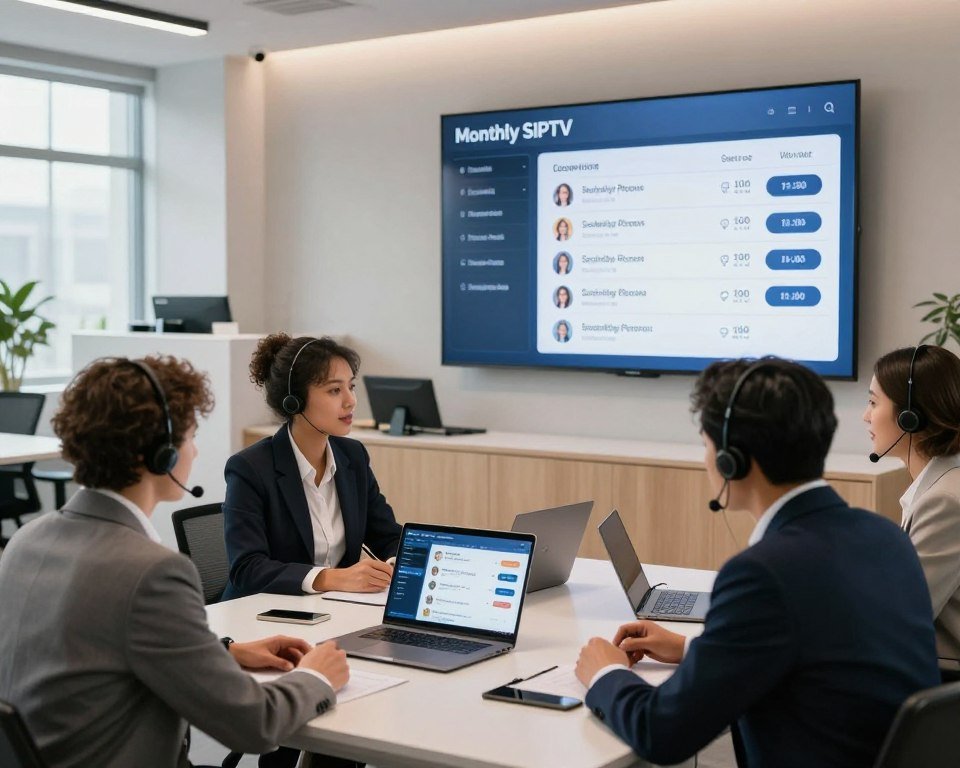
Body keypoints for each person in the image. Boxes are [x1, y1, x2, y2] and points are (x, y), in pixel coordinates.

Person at [576, 357, 939, 768]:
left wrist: (605, 674)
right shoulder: (884, 535)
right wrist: (692, 648)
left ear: (733, 459)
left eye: (706, 444)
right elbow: (817, 649)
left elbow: (663, 733)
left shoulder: (762, 573)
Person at [0, 356, 349, 768]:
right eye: (189, 435)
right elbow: (254, 725)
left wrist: (224, 652)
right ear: (161, 455)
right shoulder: (151, 571)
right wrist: (316, 677)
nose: (195, 448)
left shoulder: (25, 541)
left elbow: (96, 647)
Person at [223, 334, 401, 600]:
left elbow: (387, 536)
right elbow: (248, 568)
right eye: (334, 390)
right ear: (294, 400)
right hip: (262, 617)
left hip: (332, 611)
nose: (350, 400)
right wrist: (330, 578)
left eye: (351, 387)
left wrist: (395, 563)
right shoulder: (250, 468)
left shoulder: (353, 457)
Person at [864, 345, 960, 671]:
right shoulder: (938, 485)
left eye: (874, 402)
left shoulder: (945, 500)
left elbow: (901, 615)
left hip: (940, 679)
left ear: (910, 416)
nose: (866, 416)